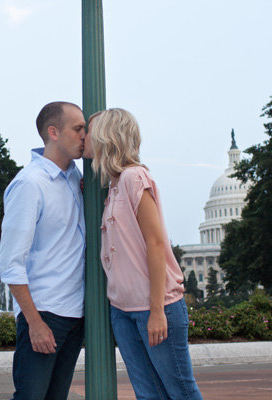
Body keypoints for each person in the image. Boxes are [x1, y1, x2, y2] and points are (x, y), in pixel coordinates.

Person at [83, 108, 203, 400]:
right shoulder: (112, 186)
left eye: (89, 130)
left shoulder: (134, 178)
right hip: (121, 311)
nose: (84, 136)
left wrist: (158, 310)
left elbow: (156, 243)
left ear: (106, 137)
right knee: (148, 395)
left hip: (154, 307)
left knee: (180, 392)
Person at [0, 101, 86, 400]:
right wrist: (34, 323)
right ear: (54, 132)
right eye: (78, 128)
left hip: (75, 314)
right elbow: (11, 263)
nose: (85, 135)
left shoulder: (75, 177)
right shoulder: (29, 184)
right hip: (45, 313)